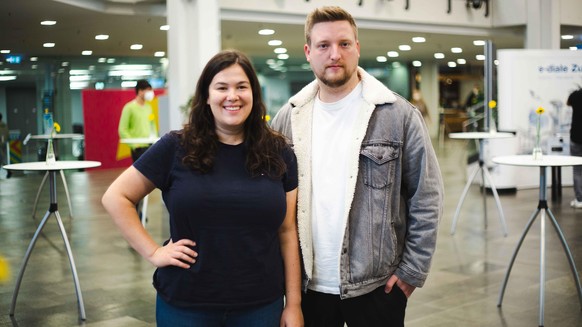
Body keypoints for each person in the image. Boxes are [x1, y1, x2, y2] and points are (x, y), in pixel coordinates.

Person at [102, 50, 303, 327]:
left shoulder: (278, 152)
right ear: (207, 96)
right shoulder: (176, 147)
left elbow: (287, 230)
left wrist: (293, 304)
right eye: (221, 87)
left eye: (242, 87)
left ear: (254, 95)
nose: (232, 95)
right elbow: (116, 196)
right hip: (187, 304)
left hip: (260, 305)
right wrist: (153, 252)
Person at [270, 6, 444, 327]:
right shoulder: (288, 118)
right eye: (323, 45)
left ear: (357, 48)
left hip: (378, 286)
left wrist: (411, 273)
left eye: (344, 44)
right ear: (308, 52)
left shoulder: (398, 115)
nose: (334, 54)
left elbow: (427, 196)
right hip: (308, 287)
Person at [118, 79, 157, 162]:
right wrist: (134, 145)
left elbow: (152, 124)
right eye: (148, 90)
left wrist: (154, 139)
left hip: (150, 146)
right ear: (140, 91)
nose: (151, 93)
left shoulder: (148, 108)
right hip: (138, 148)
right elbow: (122, 129)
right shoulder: (129, 107)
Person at [568, 87, 582, 208]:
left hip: (576, 137)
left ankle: (579, 199)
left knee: (577, 170)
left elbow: (568, 103)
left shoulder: (575, 95)